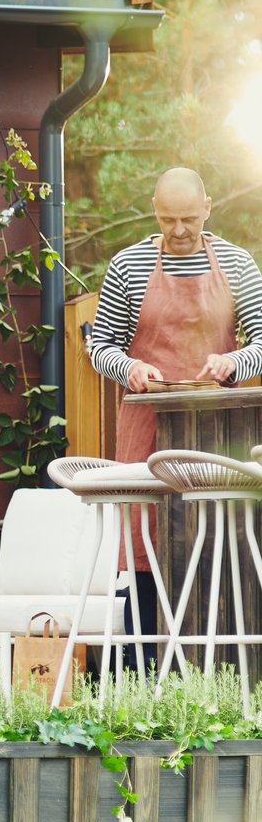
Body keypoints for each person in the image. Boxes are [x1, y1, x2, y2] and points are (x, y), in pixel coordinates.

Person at [88, 166, 262, 651]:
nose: (180, 230)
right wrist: (131, 370)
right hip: (147, 428)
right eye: (168, 220)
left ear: (208, 208)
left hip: (218, 432)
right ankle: (146, 673)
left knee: (221, 544)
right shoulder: (128, 265)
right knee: (147, 548)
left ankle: (226, 664)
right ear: (155, 211)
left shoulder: (237, 262)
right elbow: (101, 346)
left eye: (188, 218)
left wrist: (233, 361)